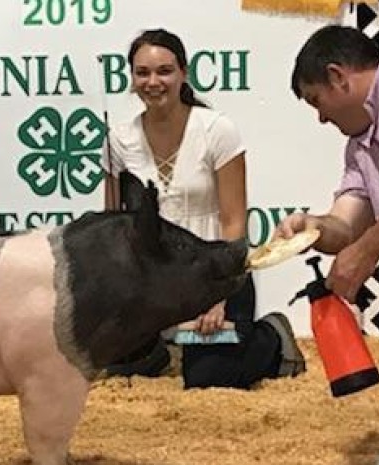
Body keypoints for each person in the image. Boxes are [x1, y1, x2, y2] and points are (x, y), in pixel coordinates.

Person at [102, 28, 306, 389]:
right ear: (131, 78)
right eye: (142, 73)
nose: (153, 82)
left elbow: (233, 222)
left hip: (216, 272)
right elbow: (113, 227)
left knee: (208, 378)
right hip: (154, 282)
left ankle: (272, 339)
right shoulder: (118, 139)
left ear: (184, 72)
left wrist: (217, 296)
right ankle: (159, 343)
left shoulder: (217, 131)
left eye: (164, 71)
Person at [279, 25, 379, 465]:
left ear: (338, 77)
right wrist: (310, 228)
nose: (320, 118)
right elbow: (346, 225)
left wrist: (365, 253)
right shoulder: (358, 149)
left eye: (315, 101)